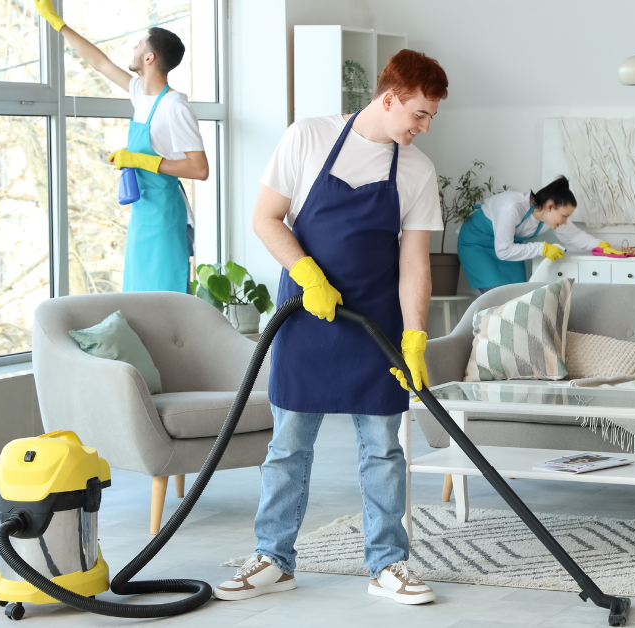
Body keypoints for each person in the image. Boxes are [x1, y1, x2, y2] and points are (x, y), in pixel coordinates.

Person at [213, 50, 447, 605]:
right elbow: (266, 218)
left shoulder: (416, 169)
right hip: (305, 314)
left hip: (375, 326)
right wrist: (306, 273)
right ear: (388, 98)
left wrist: (415, 336)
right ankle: (274, 558)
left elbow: (415, 262)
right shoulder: (308, 138)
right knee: (289, 446)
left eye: (431, 118)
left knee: (383, 450)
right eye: (418, 114)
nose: (423, 127)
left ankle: (389, 564)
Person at [33, 0, 207, 292]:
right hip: (143, 212)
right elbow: (99, 63)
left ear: (150, 58)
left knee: (163, 296)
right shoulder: (141, 95)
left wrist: (144, 161)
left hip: (164, 217)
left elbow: (200, 169)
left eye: (139, 45)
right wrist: (59, 25)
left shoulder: (174, 106)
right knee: (137, 294)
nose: (134, 48)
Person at [457, 177, 622, 293]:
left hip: (508, 248)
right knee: (495, 301)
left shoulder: (548, 217)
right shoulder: (511, 207)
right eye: (565, 216)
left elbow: (573, 236)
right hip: (477, 245)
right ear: (551, 206)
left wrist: (601, 245)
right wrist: (542, 248)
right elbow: (503, 250)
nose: (566, 221)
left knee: (517, 300)